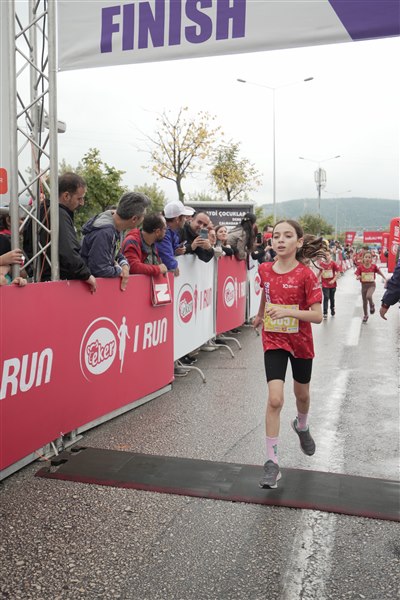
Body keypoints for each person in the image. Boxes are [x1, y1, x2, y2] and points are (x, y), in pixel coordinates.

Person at [252, 219, 325, 489]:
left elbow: (317, 316)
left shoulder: (306, 275)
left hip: (301, 342)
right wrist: (260, 314)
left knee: (301, 395)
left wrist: (287, 312)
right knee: (275, 399)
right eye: (276, 236)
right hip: (274, 339)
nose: (280, 240)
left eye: (287, 236)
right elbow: (266, 292)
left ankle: (301, 425)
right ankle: (271, 463)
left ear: (299, 241)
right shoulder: (264, 269)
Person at [24, 172, 96, 292]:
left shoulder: (37, 212)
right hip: (58, 284)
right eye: (79, 198)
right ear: (66, 196)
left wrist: (32, 272)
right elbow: (68, 251)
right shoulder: (59, 214)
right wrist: (86, 275)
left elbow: (26, 246)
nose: (82, 203)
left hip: (39, 282)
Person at [80, 192, 150, 290]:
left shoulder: (116, 226)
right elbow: (100, 269)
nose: (143, 219)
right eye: (143, 216)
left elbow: (116, 252)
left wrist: (124, 264)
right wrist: (119, 270)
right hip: (86, 290)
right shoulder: (105, 232)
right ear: (134, 219)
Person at [156, 200, 194, 276]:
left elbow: (169, 250)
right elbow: (165, 256)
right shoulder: (165, 232)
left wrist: (176, 251)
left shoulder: (172, 231)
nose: (185, 219)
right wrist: (174, 266)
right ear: (177, 219)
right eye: (184, 217)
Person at [355, 250, 387, 323]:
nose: (367, 259)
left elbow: (379, 272)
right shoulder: (360, 267)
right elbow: (357, 275)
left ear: (371, 259)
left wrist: (385, 278)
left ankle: (372, 305)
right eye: (366, 257)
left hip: (371, 285)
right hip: (364, 286)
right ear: (363, 258)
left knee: (368, 296)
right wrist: (358, 277)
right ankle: (365, 315)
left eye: (369, 257)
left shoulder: (373, 266)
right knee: (364, 302)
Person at [318, 248, 340, 318]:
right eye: (324, 255)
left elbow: (338, 272)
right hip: (325, 284)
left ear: (330, 255)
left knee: (332, 298)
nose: (326, 256)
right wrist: (316, 279)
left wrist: (333, 280)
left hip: (332, 285)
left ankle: (332, 308)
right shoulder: (321, 264)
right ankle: (325, 312)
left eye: (327, 255)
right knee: (326, 297)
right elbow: (319, 272)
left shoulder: (333, 263)